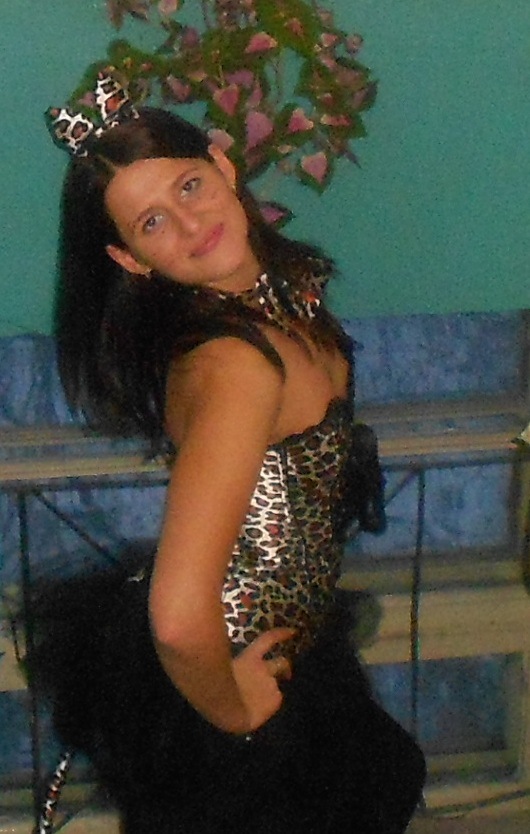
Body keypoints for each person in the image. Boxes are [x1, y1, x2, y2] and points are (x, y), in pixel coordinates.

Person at [30, 70, 425, 833]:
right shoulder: (236, 366)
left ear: (222, 164)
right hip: (231, 676)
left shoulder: (279, 293)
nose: (189, 223)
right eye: (150, 222)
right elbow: (179, 617)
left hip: (286, 647)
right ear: (130, 260)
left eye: (188, 186)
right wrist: (238, 717)